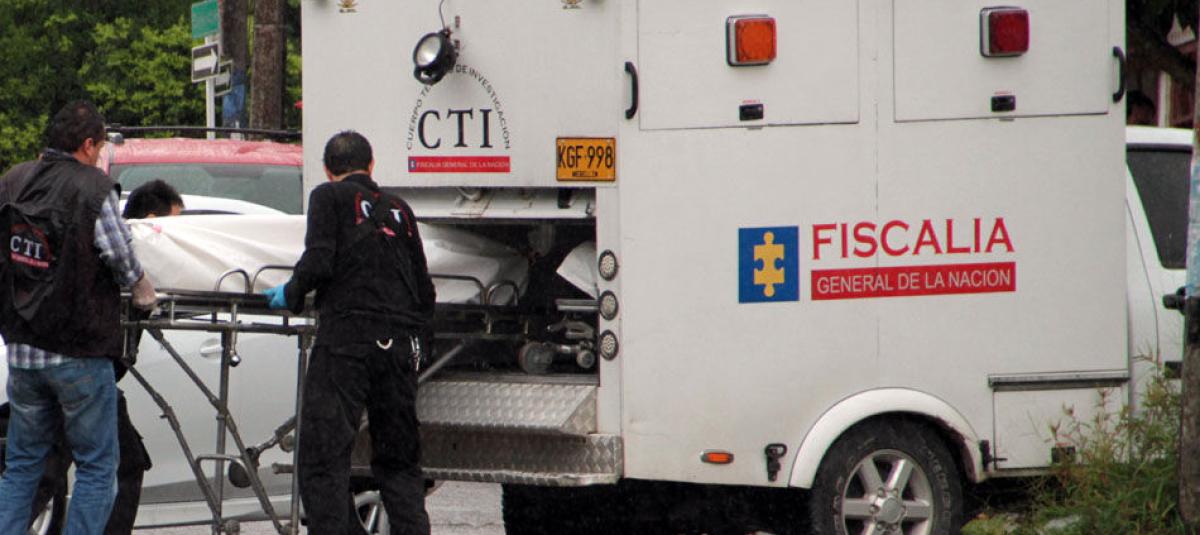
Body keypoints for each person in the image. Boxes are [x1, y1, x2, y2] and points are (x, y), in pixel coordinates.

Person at [264, 130, 435, 535]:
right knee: (399, 464)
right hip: (398, 348)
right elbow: (424, 291)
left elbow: (320, 260)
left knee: (322, 461)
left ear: (327, 170)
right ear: (371, 166)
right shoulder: (400, 210)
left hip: (347, 342)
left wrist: (289, 293)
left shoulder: (328, 197)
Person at [0, 101, 156, 534]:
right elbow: (121, 256)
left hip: (23, 353)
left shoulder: (14, 180)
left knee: (22, 467)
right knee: (96, 466)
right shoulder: (93, 188)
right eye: (101, 145)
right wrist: (144, 294)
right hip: (79, 351)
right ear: (89, 145)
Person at [24, 179, 184, 534]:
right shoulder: (130, 259)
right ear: (153, 220)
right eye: (177, 223)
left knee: (52, 469)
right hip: (85, 374)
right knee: (93, 466)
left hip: (72, 371)